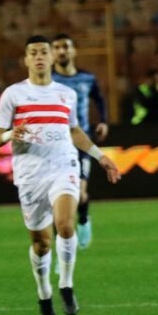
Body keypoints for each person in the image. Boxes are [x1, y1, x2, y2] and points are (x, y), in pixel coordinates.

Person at [0, 35, 120, 315]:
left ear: (50, 58)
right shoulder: (13, 94)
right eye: (33, 52)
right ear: (26, 59)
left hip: (63, 165)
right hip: (30, 173)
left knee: (65, 224)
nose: (39, 57)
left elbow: (74, 131)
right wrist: (10, 134)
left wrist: (101, 157)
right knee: (41, 243)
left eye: (43, 52)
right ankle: (44, 293)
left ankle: (66, 285)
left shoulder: (66, 93)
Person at [52, 34, 109, 249]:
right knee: (57, 198)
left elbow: (99, 99)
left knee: (80, 194)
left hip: (80, 142)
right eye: (57, 47)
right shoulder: (48, 80)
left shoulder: (87, 78)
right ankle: (62, 245)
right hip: (55, 145)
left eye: (65, 47)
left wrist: (103, 121)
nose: (61, 51)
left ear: (73, 51)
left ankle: (83, 219)